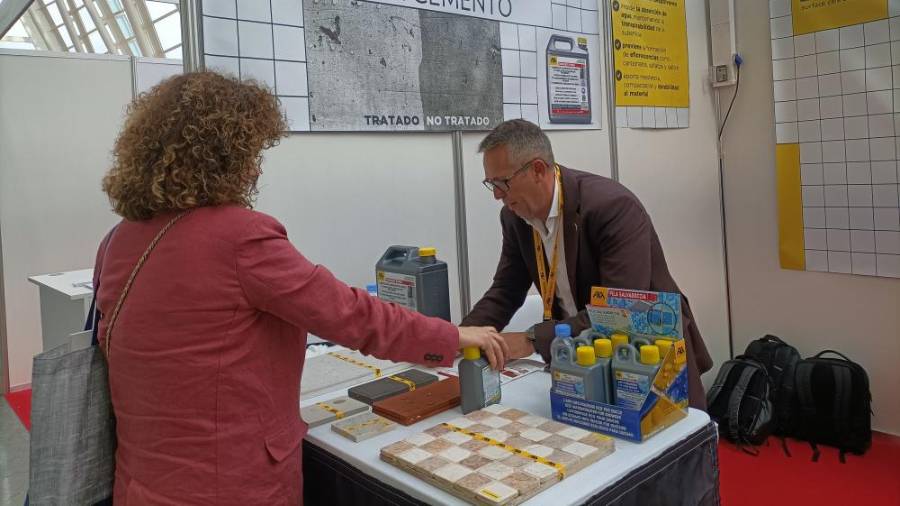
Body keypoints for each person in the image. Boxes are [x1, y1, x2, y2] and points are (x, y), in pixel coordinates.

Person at [94, 71, 508, 505]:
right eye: (251, 153)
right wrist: (452, 336)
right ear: (222, 158)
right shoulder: (240, 238)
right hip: (230, 485)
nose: (255, 168)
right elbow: (351, 314)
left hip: (140, 484)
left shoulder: (118, 241)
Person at [460, 119, 712, 409]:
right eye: (491, 184)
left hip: (647, 355)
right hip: (582, 360)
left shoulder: (612, 207)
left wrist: (532, 340)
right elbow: (506, 290)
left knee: (667, 437)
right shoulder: (515, 217)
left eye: (503, 182)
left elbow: (620, 310)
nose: (497, 195)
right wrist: (460, 336)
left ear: (538, 170)